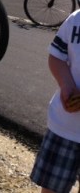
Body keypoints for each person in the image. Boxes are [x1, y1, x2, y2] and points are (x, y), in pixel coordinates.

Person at [29, 10, 80, 193]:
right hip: (64, 127)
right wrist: (66, 85)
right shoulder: (75, 20)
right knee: (51, 189)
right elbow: (57, 56)